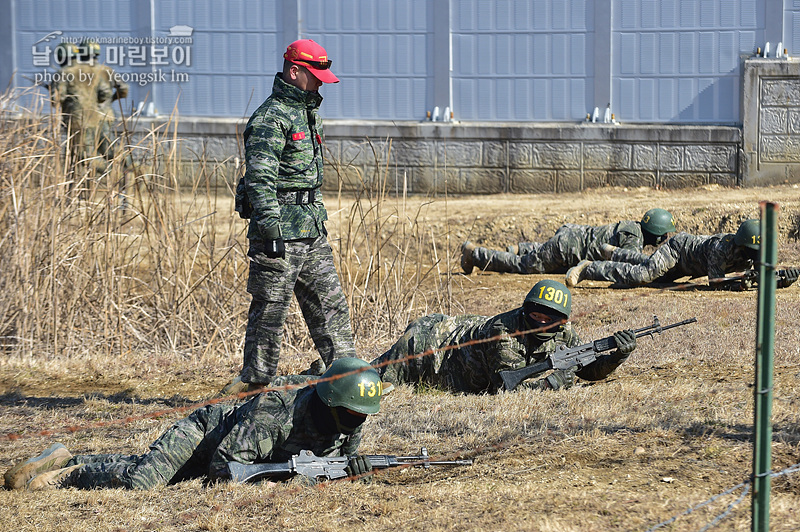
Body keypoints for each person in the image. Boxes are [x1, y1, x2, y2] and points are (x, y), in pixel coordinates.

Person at [5, 358, 384, 491]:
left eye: (362, 416)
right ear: (330, 402)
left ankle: (64, 456)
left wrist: (353, 471)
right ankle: (63, 476)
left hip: (238, 450)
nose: (358, 423)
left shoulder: (351, 414)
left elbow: (338, 461)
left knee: (147, 466)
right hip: (206, 434)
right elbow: (223, 469)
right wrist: (299, 477)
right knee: (144, 481)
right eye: (353, 415)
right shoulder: (274, 413)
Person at [227, 39, 354, 393]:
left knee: (331, 306)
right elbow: (260, 180)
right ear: (294, 72)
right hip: (279, 233)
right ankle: (255, 384)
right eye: (314, 76)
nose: (319, 83)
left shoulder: (308, 112)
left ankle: (347, 376)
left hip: (311, 229)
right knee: (270, 312)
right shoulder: (270, 119)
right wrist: (269, 230)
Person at [370, 280, 637, 394]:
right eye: (536, 314)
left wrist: (617, 356)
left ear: (562, 322)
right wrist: (550, 385)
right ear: (525, 310)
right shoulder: (504, 334)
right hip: (431, 347)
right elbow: (505, 388)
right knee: (368, 379)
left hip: (464, 331)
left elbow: (587, 370)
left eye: (550, 318)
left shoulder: (565, 334)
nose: (542, 321)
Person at [565, 219, 799, 289]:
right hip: (679, 250)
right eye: (754, 251)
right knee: (643, 276)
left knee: (653, 272)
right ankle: (589, 268)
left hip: (687, 267)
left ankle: (616, 254)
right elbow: (716, 284)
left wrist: (780, 280)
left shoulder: (750, 252)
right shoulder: (721, 248)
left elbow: (759, 276)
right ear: (744, 245)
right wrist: (744, 283)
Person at [460, 208, 676, 275]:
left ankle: (521, 248)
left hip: (570, 236)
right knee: (524, 267)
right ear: (655, 232)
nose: (664, 239)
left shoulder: (632, 226)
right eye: (664, 234)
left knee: (542, 255)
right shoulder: (634, 239)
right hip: (566, 248)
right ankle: (476, 254)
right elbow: (626, 265)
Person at [48, 40, 128, 174]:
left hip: (77, 120)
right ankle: (132, 170)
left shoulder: (65, 72)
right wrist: (111, 100)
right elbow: (111, 92)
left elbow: (56, 99)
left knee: (84, 156)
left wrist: (52, 90)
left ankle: (115, 175)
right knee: (109, 151)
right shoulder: (99, 70)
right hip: (97, 117)